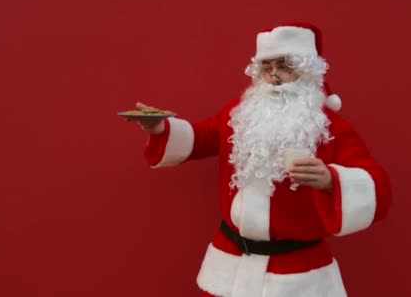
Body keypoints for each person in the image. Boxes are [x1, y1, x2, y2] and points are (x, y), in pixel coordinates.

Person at [132, 22, 392, 297]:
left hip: (296, 275)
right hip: (230, 265)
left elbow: (379, 186)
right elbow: (202, 137)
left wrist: (330, 181)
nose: (274, 77)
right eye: (267, 68)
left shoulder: (331, 129)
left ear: (306, 71)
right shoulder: (241, 113)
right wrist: (160, 128)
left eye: (285, 66)